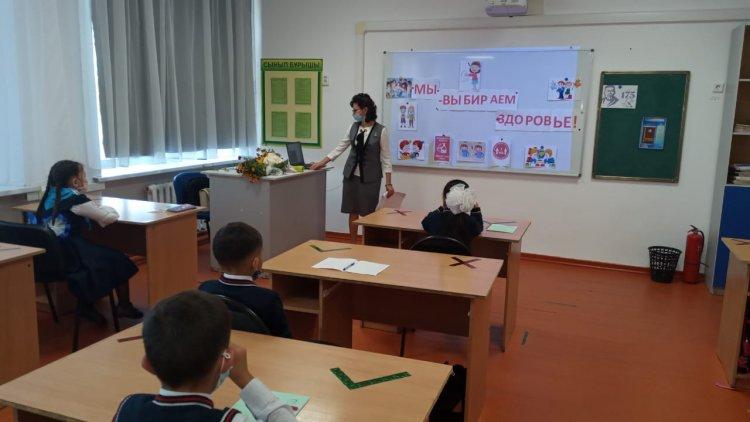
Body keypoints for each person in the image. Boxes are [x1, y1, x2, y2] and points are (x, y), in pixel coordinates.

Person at [113, 291, 296, 421]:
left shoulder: (128, 408)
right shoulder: (231, 420)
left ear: (147, 364)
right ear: (225, 363)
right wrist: (245, 379)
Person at [31, 160, 141, 323]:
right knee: (119, 259)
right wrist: (104, 207)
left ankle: (87, 304)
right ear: (75, 181)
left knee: (100, 254)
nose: (85, 178)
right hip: (72, 254)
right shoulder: (76, 201)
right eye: (83, 175)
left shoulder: (49, 196)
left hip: (52, 257)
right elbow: (107, 217)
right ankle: (124, 306)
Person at [309, 93, 394, 243]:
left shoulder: (381, 130)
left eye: (356, 110)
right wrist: (322, 162)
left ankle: (367, 244)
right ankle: (353, 243)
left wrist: (389, 183)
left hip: (370, 178)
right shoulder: (353, 127)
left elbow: (386, 159)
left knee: (368, 214)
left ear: (365, 109)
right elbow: (340, 147)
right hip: (351, 176)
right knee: (352, 211)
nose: (353, 113)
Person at [200, 222, 291, 338]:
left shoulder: (205, 289)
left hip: (219, 346)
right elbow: (284, 339)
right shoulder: (268, 299)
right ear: (256, 263)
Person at [421, 179, 483, 248]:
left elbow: (425, 223)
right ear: (467, 199)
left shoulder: (434, 217)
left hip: (434, 254)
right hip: (459, 255)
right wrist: (476, 210)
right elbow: (478, 228)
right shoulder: (468, 220)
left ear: (445, 197)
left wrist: (440, 209)